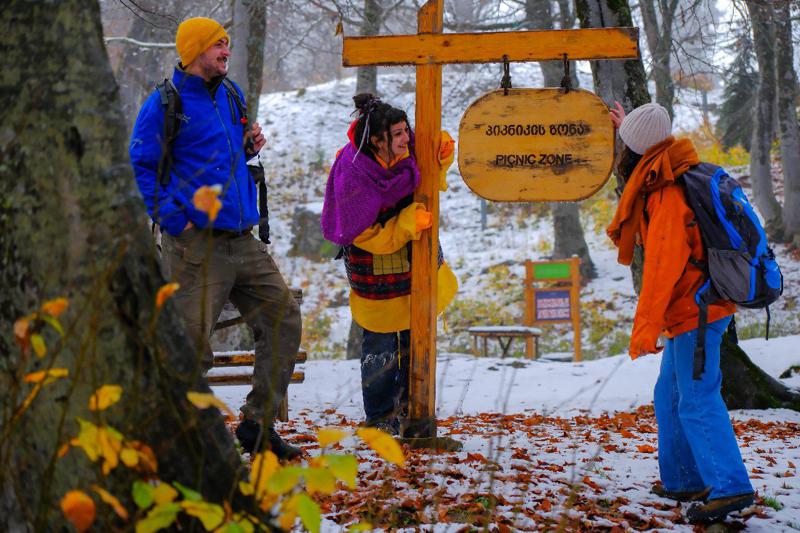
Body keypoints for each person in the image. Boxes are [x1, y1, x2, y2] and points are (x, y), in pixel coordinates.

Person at [129, 17, 302, 459]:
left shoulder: (230, 94)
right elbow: (142, 167)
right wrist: (176, 222)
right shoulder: (163, 104)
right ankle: (183, 442)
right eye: (217, 45)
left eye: (227, 44)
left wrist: (249, 147)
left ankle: (257, 426)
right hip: (195, 245)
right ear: (194, 52)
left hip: (242, 237)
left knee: (283, 319)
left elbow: (224, 155)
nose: (226, 51)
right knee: (189, 349)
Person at [607, 102, 754, 523]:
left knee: (695, 398)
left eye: (626, 144)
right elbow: (647, 135)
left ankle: (729, 488)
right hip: (692, 309)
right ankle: (684, 478)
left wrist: (645, 329)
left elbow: (660, 269)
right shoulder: (665, 167)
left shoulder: (668, 193)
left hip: (696, 312)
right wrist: (629, 127)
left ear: (636, 150)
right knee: (669, 395)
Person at [321, 94, 458, 435]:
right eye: (397, 134)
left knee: (417, 336)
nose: (406, 139)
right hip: (374, 269)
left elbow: (431, 151)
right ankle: (381, 418)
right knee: (381, 345)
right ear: (377, 141)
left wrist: (442, 150)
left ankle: (415, 412)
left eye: (405, 131)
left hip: (416, 264)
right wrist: (407, 224)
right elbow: (365, 235)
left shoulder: (406, 155)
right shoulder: (352, 175)